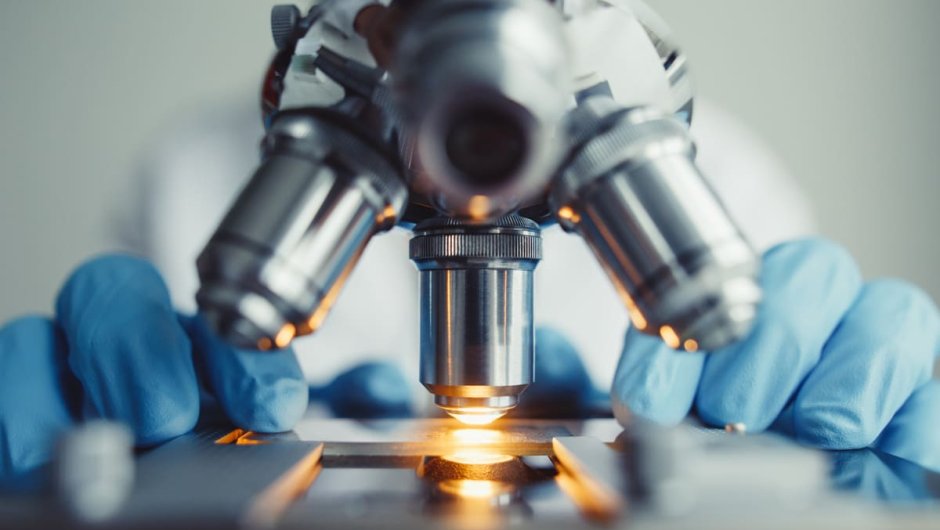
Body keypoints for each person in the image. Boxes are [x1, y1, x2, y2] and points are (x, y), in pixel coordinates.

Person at [1, 0, 937, 491]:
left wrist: (884, 479)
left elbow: (786, 450)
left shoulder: (722, 176)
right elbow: (134, 457)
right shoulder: (192, 173)